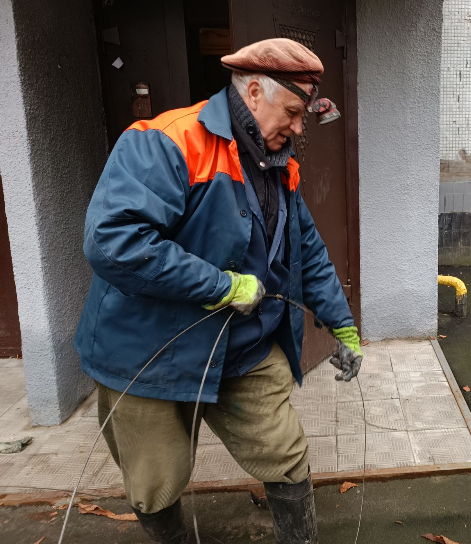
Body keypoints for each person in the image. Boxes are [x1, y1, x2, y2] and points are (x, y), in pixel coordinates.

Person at [73, 38, 361, 544]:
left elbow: (304, 246)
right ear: (254, 92)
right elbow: (112, 241)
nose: (298, 128)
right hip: (149, 352)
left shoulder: (278, 160)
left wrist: (341, 322)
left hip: (243, 344)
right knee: (154, 481)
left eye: (303, 117)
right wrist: (221, 286)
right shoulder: (166, 142)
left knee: (285, 451)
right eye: (292, 113)